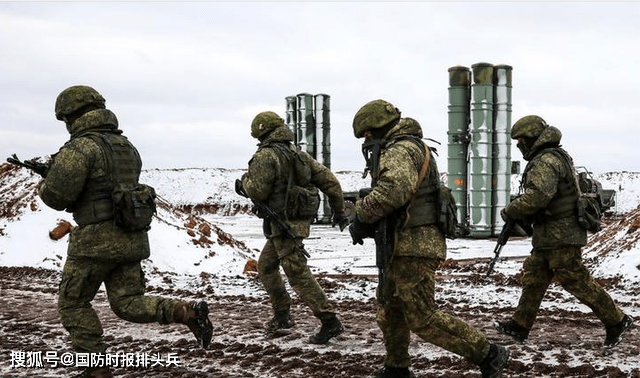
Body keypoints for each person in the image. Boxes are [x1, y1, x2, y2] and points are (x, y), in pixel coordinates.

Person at [38, 85, 213, 378]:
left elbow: (56, 197)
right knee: (127, 302)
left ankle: (96, 370)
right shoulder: (126, 147)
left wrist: (45, 182)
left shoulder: (80, 147)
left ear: (71, 115)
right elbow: (108, 187)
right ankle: (187, 312)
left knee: (73, 303)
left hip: (95, 243)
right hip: (131, 237)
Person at [348, 99, 509, 378]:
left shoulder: (400, 149)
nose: (366, 140)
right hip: (402, 244)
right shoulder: (404, 147)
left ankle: (489, 353)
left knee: (422, 316)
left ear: (378, 127)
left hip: (415, 245)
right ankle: (397, 367)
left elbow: (392, 192)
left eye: (367, 134)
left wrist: (361, 215)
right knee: (391, 309)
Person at [494, 115, 634, 348]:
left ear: (531, 138)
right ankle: (520, 325)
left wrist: (510, 211)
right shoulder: (553, 156)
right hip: (551, 234)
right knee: (534, 277)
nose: (518, 145)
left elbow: (537, 197)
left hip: (561, 234)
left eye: (520, 140)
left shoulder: (545, 160)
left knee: (576, 280)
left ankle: (617, 321)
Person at [238, 111, 348, 344]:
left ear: (261, 131)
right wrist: (338, 212)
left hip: (283, 225)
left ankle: (330, 321)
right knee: (266, 266)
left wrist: (244, 181)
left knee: (297, 274)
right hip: (293, 224)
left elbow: (257, 191)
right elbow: (331, 183)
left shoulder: (266, 156)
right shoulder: (299, 155)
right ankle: (282, 315)